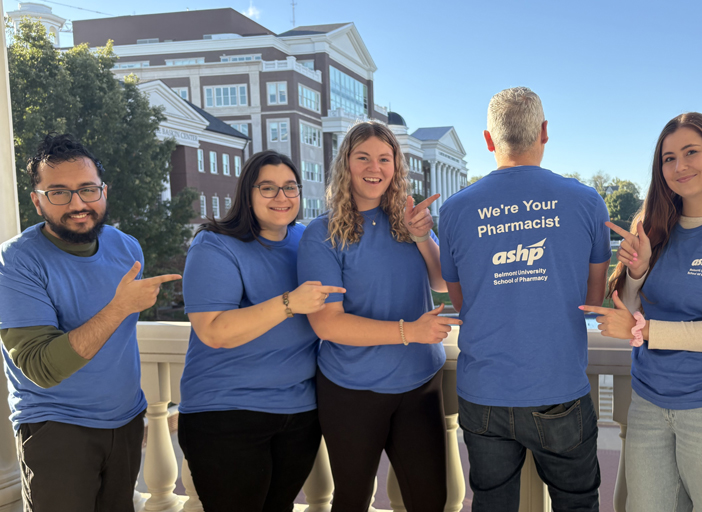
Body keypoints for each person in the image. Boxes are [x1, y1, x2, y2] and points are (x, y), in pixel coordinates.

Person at [585, 112, 702, 511]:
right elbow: (632, 308)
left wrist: (648, 330)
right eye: (668, 158)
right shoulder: (652, 223)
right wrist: (636, 274)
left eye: (691, 151)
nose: (679, 166)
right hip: (648, 403)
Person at [438, 87, 611, 511]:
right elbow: (592, 298)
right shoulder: (587, 202)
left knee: (492, 504)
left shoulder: (456, 210)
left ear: (488, 139)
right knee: (577, 504)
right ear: (544, 132)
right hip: (559, 388)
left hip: (484, 394)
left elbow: (463, 302)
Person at [0, 133, 180, 511]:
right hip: (57, 430)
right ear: (37, 201)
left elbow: (118, 344)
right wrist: (118, 307)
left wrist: (134, 414)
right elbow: (42, 367)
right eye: (59, 192)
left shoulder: (126, 247)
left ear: (104, 191)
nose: (78, 203)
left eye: (87, 189)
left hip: (126, 422)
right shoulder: (15, 263)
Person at [298, 121, 458, 512]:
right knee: (352, 500)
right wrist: (410, 331)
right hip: (351, 389)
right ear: (346, 164)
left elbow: (441, 281)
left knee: (431, 500)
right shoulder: (321, 235)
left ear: (396, 166)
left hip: (419, 385)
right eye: (363, 157)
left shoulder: (409, 220)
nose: (375, 167)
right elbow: (327, 323)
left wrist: (423, 236)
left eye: (385, 158)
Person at [178, 150, 343, 511]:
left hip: (299, 413)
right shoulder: (215, 244)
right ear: (247, 194)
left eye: (290, 187)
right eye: (267, 188)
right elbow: (214, 331)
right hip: (226, 413)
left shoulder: (309, 240)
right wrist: (289, 304)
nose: (281, 197)